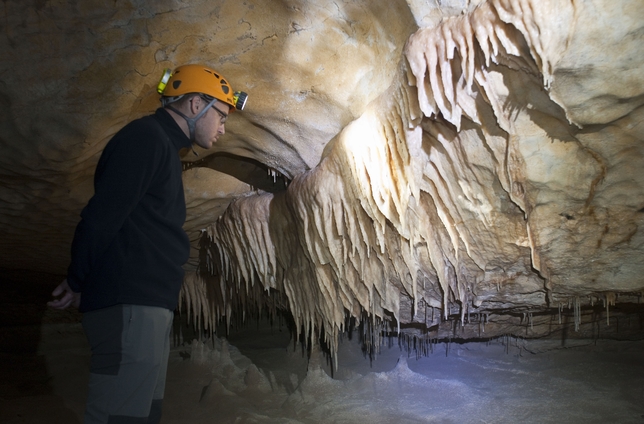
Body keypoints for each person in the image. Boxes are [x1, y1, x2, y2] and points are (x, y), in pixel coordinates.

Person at [47, 64, 247, 423]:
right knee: (119, 416)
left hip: (144, 304)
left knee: (139, 414)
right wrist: (78, 280)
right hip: (130, 301)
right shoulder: (146, 139)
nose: (222, 128)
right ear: (194, 104)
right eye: (220, 115)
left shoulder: (162, 147)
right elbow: (102, 217)